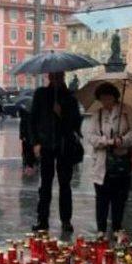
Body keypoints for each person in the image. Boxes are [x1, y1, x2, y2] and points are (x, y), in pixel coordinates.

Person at [30, 71, 82, 234]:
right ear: (49, 77)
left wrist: (62, 114)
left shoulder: (70, 97)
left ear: (63, 77)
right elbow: (32, 120)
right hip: (46, 145)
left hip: (64, 146)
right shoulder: (41, 94)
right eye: (53, 77)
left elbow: (76, 125)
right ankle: (42, 219)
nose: (56, 80)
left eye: (58, 77)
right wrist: (35, 142)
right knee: (45, 185)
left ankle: (66, 220)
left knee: (65, 185)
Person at [84, 82, 132, 237]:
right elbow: (90, 136)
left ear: (115, 97)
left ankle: (116, 228)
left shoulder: (127, 111)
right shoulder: (98, 114)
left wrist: (122, 140)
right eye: (103, 98)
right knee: (101, 198)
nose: (106, 101)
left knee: (119, 199)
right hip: (102, 164)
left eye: (109, 98)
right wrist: (107, 142)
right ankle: (101, 229)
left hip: (121, 162)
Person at [19, 107, 36, 175]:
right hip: (28, 136)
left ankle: (29, 164)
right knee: (28, 150)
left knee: (28, 150)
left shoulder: (26, 115)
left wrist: (22, 135)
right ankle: (28, 163)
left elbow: (23, 126)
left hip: (28, 136)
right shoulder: (26, 115)